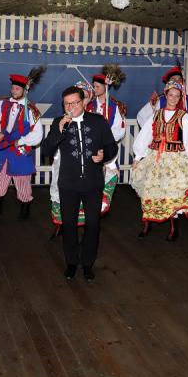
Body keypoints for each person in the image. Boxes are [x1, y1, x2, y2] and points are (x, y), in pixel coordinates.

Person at [41, 86, 118, 282]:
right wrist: (58, 131)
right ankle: (71, 263)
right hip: (68, 184)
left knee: (93, 225)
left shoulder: (97, 121)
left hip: (93, 183)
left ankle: (88, 264)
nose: (71, 107)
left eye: (75, 102)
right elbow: (46, 150)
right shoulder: (59, 123)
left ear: (83, 102)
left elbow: (111, 147)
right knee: (68, 225)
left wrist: (103, 156)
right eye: (67, 104)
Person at [130, 80, 188, 242]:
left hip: (175, 159)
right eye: (171, 95)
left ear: (180, 98)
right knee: (149, 189)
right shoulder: (156, 114)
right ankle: (147, 223)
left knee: (172, 191)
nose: (173, 98)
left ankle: (173, 226)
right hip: (155, 158)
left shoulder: (183, 116)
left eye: (177, 96)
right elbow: (145, 135)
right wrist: (138, 157)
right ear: (166, 95)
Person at [0, 69, 44, 219]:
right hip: (4, 148)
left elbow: (38, 134)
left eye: (17, 88)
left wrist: (21, 141)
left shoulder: (31, 110)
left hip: (20, 150)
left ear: (24, 90)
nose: (14, 91)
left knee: (23, 180)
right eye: (13, 88)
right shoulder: (2, 103)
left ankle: (25, 208)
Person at [49, 80, 94, 236]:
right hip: (65, 164)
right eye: (70, 102)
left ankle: (85, 227)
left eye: (85, 97)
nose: (75, 105)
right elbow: (50, 145)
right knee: (60, 190)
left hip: (87, 166)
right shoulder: (62, 121)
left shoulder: (95, 119)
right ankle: (61, 224)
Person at [87, 66, 127, 217]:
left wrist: (104, 139)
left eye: (97, 86)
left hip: (108, 149)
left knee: (108, 179)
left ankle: (101, 207)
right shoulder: (89, 105)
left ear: (106, 87)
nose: (95, 89)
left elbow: (120, 129)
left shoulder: (115, 107)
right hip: (91, 149)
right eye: (94, 86)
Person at [136, 65, 188, 133]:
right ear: (168, 83)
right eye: (173, 79)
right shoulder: (159, 101)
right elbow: (141, 116)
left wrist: (185, 131)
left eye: (179, 79)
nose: (177, 81)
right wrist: (155, 132)